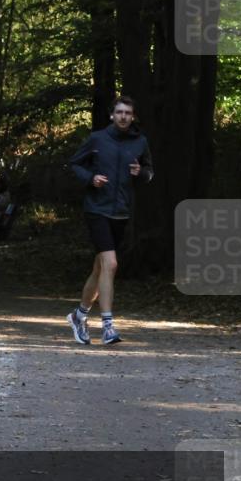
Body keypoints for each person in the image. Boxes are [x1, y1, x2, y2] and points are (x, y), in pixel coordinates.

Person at [66, 95, 153, 345]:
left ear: (133, 116)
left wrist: (141, 173)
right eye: (119, 112)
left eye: (128, 112)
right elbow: (74, 164)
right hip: (97, 209)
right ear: (111, 115)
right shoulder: (97, 139)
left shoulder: (140, 142)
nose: (123, 116)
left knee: (100, 267)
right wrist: (90, 178)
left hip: (121, 212)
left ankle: (78, 316)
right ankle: (108, 326)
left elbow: (149, 171)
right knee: (111, 264)